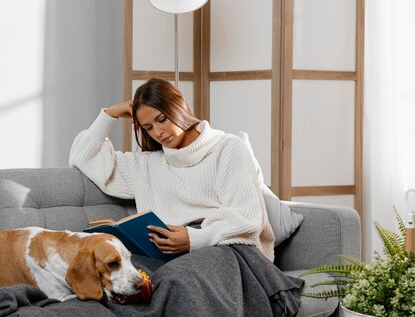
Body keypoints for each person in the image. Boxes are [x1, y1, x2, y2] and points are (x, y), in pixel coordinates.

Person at [69, 78, 275, 261]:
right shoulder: (149, 164)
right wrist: (109, 114)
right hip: (167, 254)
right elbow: (82, 156)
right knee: (127, 281)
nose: (158, 132)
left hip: (225, 247)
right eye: (148, 128)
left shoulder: (228, 147)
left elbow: (248, 218)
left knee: (175, 280)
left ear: (179, 107)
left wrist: (194, 239)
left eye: (162, 119)